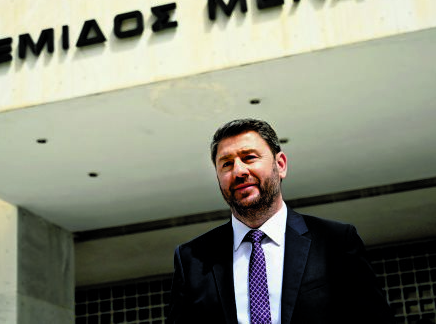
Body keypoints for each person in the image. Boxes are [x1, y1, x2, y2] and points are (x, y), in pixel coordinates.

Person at [167, 118, 395, 324]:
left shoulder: (336, 242)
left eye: (249, 157)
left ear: (281, 164)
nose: (239, 171)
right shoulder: (192, 259)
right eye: (226, 164)